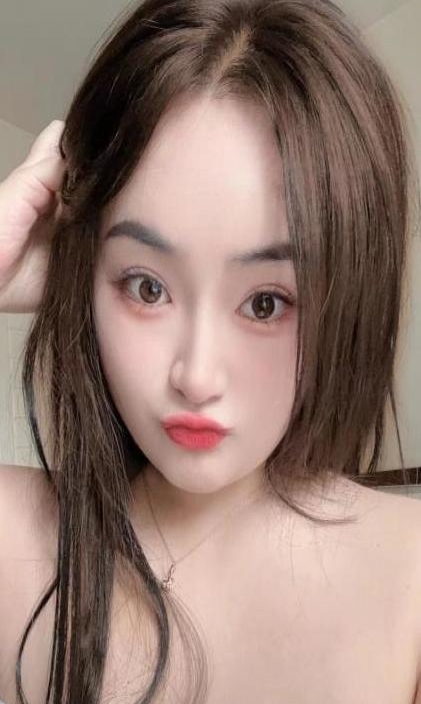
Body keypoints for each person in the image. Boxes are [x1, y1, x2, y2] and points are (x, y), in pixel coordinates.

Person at [0, 0, 421, 702]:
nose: (195, 376)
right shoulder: (12, 538)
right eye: (146, 287)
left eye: (265, 303)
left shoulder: (410, 580)